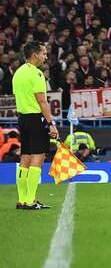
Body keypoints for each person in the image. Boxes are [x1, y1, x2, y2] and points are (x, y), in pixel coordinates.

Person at [12, 41, 57, 210]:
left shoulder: (18, 73)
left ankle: (22, 200)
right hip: (36, 118)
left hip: (22, 118)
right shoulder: (36, 74)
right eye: (44, 53)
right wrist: (51, 123)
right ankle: (31, 200)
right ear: (35, 55)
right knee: (38, 156)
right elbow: (42, 101)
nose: (46, 56)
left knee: (25, 157)